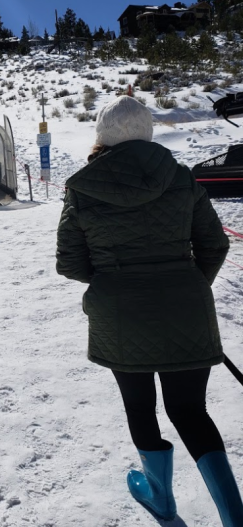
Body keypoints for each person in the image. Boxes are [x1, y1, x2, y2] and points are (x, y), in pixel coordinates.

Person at [56, 95, 242, 525]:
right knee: (191, 411)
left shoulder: (82, 187)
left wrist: (115, 281)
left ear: (101, 136)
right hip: (187, 308)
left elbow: (70, 262)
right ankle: (235, 517)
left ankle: (161, 500)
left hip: (120, 313)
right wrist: (186, 285)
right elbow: (214, 244)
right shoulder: (182, 178)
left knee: (141, 409)